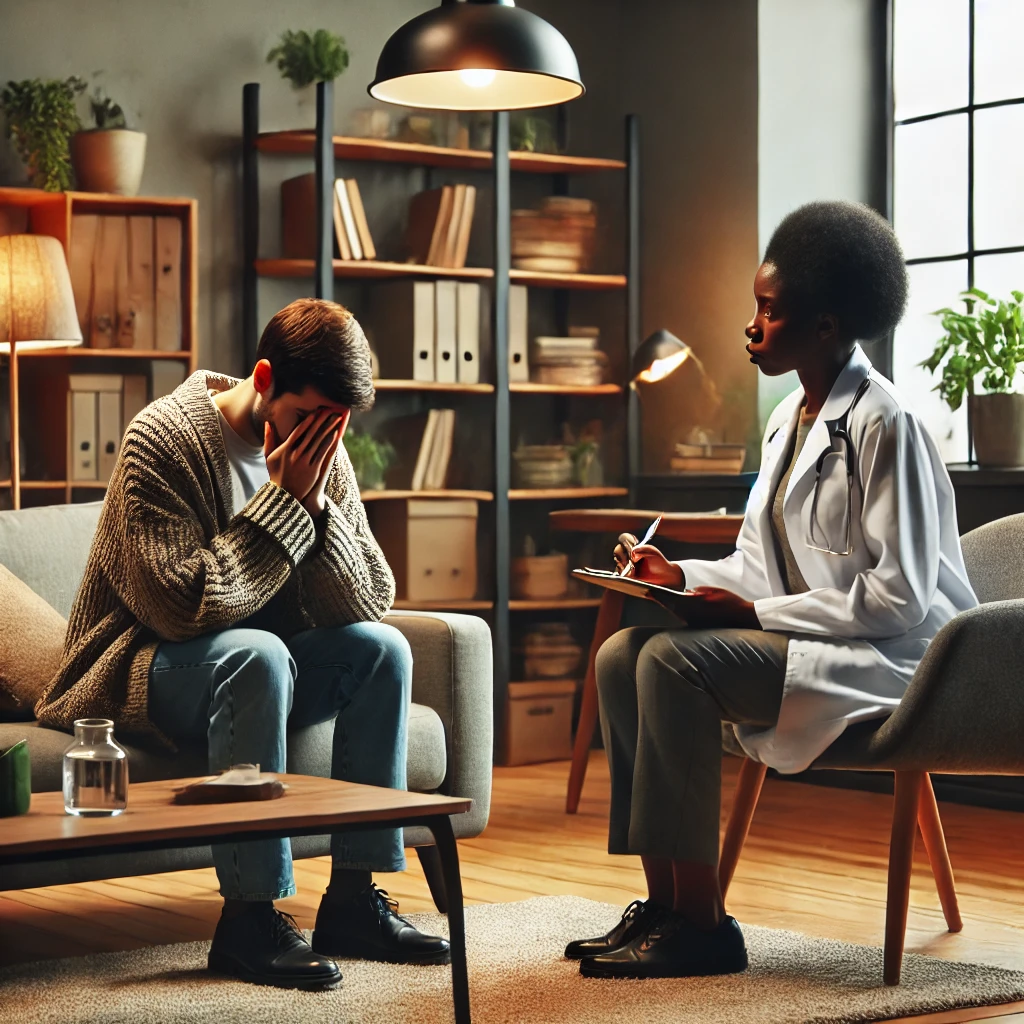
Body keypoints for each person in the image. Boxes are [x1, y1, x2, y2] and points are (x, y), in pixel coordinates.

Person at [567, 200, 978, 980]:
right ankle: (664, 906)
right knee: (622, 655)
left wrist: (754, 612)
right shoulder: (790, 415)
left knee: (670, 665)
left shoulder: (890, 427)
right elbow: (760, 563)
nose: (750, 326)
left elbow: (898, 601)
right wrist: (678, 577)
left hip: (900, 665)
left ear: (825, 326)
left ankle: (705, 925)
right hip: (809, 639)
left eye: (768, 310)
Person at [36, 298, 449, 991]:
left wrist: (315, 507)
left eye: (335, 427)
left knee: (384, 650)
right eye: (308, 418)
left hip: (263, 669)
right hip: (143, 665)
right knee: (254, 652)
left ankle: (353, 902)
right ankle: (249, 919)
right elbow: (180, 607)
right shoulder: (160, 442)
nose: (319, 440)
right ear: (263, 378)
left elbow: (370, 597)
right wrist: (284, 507)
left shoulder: (322, 446)